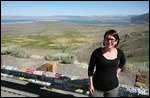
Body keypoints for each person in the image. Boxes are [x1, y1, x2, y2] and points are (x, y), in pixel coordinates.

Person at [88, 29, 126, 97]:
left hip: (113, 89)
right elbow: (90, 69)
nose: (109, 41)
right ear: (104, 40)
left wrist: (117, 71)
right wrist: (91, 85)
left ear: (116, 41)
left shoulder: (119, 52)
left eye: (112, 39)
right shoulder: (97, 53)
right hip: (97, 89)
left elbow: (123, 62)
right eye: (107, 39)